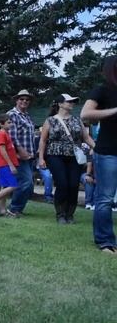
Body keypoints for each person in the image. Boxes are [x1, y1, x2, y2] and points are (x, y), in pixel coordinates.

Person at [38, 94, 95, 224]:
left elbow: (86, 137)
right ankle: (60, 214)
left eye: (72, 102)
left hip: (74, 156)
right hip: (55, 155)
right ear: (60, 104)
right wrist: (41, 158)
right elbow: (43, 140)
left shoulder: (77, 120)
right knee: (62, 184)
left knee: (73, 185)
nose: (71, 103)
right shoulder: (50, 120)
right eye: (68, 101)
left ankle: (70, 214)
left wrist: (97, 147)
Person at [81, 55, 117, 255]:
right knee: (105, 198)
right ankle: (105, 242)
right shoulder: (102, 90)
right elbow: (85, 114)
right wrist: (114, 111)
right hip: (108, 153)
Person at [6, 89, 36, 216]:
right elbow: (12, 137)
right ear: (16, 100)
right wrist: (21, 151)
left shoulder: (27, 116)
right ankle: (13, 209)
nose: (24, 101)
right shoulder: (12, 114)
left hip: (29, 155)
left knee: (28, 185)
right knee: (26, 182)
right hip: (18, 155)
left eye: (27, 99)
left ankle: (18, 209)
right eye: (21, 99)